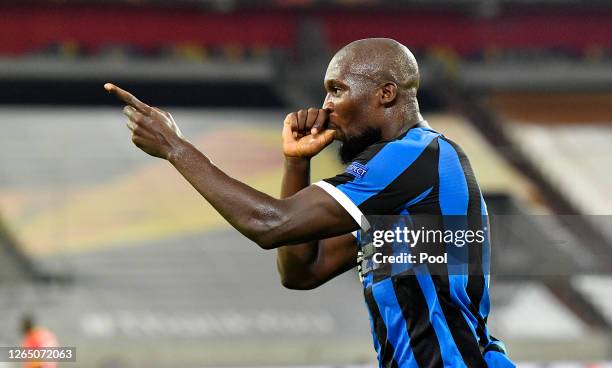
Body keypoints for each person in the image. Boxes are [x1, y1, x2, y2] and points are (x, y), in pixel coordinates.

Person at [105, 38, 514, 368]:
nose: (326, 106)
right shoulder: (404, 182)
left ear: (386, 94)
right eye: (325, 92)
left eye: (337, 89)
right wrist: (296, 163)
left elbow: (269, 225)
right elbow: (301, 271)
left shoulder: (414, 155)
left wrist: (174, 147)